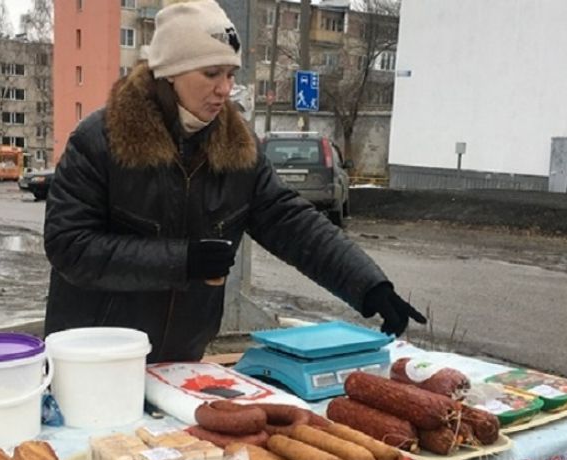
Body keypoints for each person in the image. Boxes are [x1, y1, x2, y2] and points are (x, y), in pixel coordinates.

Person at [43, 0, 424, 361]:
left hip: (182, 358)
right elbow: (69, 246)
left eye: (230, 75)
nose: (224, 89)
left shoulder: (238, 147)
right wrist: (183, 261)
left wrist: (368, 285)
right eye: (211, 74)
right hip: (92, 356)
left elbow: (291, 223)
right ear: (170, 73)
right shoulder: (100, 139)